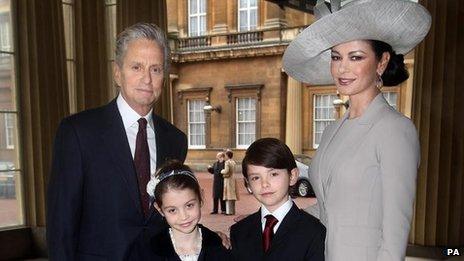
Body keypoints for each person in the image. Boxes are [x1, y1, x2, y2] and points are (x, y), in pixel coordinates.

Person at [282, 0, 431, 260]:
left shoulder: (395, 129)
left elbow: (396, 227)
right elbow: (330, 209)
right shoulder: (331, 131)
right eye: (336, 57)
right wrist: (272, 219)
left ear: (382, 62)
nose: (342, 68)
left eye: (356, 57)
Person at [46, 23, 188, 260]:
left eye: (155, 69)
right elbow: (61, 224)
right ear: (117, 73)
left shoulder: (176, 140)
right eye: (136, 67)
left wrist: (213, 239)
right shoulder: (78, 132)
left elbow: (174, 213)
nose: (147, 79)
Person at [230, 138, 325, 261]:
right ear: (248, 183)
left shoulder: (313, 231)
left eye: (273, 174)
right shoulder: (239, 231)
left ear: (292, 176)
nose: (264, 184)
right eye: (256, 178)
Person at [149, 160, 231, 260]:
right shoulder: (150, 251)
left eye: (189, 205)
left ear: (201, 197)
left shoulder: (219, 245)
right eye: (172, 210)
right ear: (159, 209)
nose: (183, 217)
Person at [221, 150, 237, 215]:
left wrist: (222, 171)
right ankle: (233, 211)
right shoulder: (233, 162)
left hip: (228, 179)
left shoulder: (227, 162)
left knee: (228, 195)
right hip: (233, 178)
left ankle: (228, 211)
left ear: (227, 155)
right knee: (232, 195)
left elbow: (226, 171)